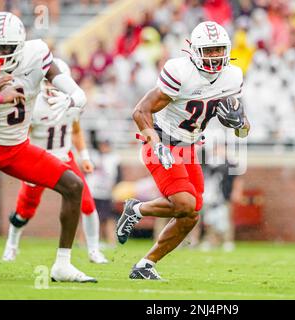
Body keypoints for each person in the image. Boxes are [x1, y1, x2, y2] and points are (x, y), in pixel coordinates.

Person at [115, 21, 250, 280]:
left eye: (219, 49)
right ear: (195, 51)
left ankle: (145, 263)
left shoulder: (233, 76)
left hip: (190, 146)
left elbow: (244, 129)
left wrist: (239, 125)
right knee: (185, 203)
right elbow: (140, 111)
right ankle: (135, 211)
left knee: (192, 213)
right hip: (161, 141)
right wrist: (155, 143)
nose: (214, 56)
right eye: (208, 50)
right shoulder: (180, 72)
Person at [0, 12, 95, 282]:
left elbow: (66, 83)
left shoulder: (36, 53)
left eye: (5, 48)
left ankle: (62, 265)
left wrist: (75, 96)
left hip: (18, 148)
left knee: (73, 186)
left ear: (20, 44)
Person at [2, 58, 108, 264]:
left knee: (87, 203)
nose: (51, 86)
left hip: (65, 157)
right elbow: (22, 135)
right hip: (39, 158)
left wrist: (84, 156)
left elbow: (75, 131)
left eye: (54, 82)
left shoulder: (72, 103)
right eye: (48, 82)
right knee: (25, 210)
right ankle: (11, 245)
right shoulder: (34, 105)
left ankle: (94, 250)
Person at [87, 139, 122, 246]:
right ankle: (85, 241)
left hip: (107, 193)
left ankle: (111, 241)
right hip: (93, 192)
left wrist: (114, 188)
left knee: (109, 218)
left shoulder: (114, 159)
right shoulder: (93, 156)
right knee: (90, 217)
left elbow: (118, 176)